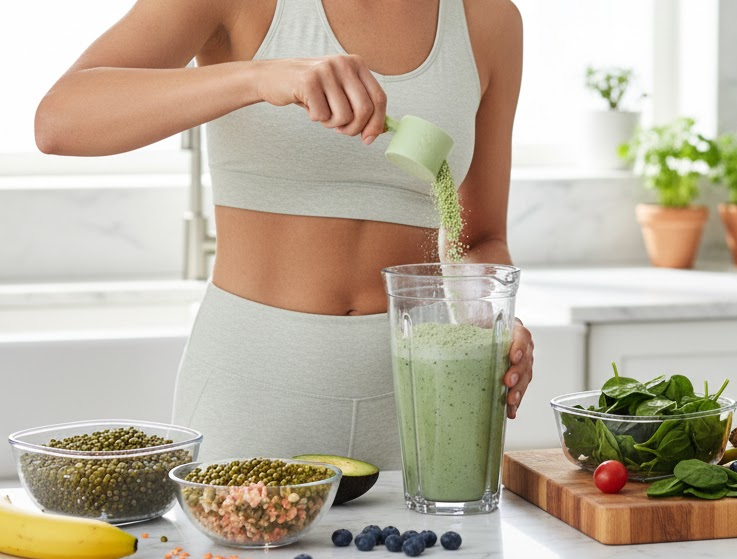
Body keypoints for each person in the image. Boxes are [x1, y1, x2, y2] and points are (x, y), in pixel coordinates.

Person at [35, 0, 534, 470]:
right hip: (252, 394)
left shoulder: (489, 21)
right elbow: (59, 120)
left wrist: (487, 317)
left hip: (423, 408)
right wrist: (258, 75)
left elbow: (478, 238)